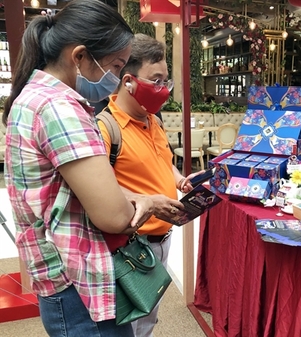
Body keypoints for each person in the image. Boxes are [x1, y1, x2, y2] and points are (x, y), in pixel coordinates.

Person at [2, 1, 155, 336]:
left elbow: (68, 188)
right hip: (78, 281)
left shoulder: (32, 97)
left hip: (60, 274)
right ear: (80, 56)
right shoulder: (61, 109)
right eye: (115, 66)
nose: (115, 80)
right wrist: (144, 203)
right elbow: (113, 217)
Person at [96, 33, 202, 337]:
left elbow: (163, 160)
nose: (163, 90)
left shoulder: (152, 120)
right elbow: (96, 190)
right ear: (128, 81)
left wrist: (179, 180)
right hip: (131, 248)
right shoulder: (106, 128)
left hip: (162, 238)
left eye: (165, 81)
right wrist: (147, 199)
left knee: (148, 318)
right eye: (156, 81)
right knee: (128, 324)